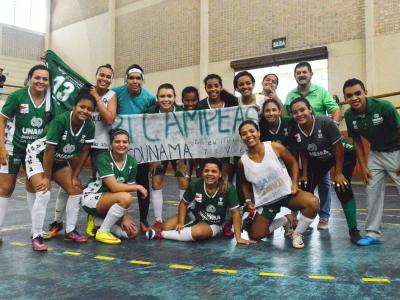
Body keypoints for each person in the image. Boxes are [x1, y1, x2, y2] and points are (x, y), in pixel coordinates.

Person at [47, 64, 117, 238]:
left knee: (98, 184)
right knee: (70, 183)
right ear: (96, 75)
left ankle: (92, 219)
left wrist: (96, 98)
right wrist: (49, 60)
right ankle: (57, 221)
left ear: (111, 80)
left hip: (100, 146)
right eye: (102, 75)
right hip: (77, 142)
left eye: (108, 76)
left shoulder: (111, 95)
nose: (104, 79)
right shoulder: (84, 91)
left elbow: (109, 118)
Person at [25, 90, 95, 251]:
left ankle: (70, 230)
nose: (85, 111)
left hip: (58, 159)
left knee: (76, 189)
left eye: (89, 109)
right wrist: (46, 178)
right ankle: (37, 236)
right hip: (37, 156)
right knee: (44, 192)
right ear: (74, 106)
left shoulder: (89, 125)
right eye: (81, 107)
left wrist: (76, 176)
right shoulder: (61, 121)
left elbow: (85, 151)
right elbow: (49, 149)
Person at [290, 97, 362, 244]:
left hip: (344, 155)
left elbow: (339, 149)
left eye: (302, 110)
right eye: (295, 112)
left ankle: (354, 231)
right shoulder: (296, 130)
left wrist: (338, 173)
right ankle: (303, 226)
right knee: (305, 187)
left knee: (342, 187)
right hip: (318, 158)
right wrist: (304, 174)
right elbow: (303, 152)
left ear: (310, 109)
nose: (299, 114)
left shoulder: (325, 122)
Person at [238, 120, 319, 249]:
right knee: (255, 235)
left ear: (258, 133)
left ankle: (297, 234)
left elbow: (293, 163)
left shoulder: (274, 147)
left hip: (286, 193)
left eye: (252, 131)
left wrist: (294, 183)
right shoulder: (243, 161)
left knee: (313, 203)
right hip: (267, 201)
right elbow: (243, 181)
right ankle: (285, 220)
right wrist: (248, 199)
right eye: (244, 134)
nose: (248, 135)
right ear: (241, 138)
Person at [146, 157, 255, 245]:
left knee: (198, 233)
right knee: (167, 226)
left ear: (220, 174)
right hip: (194, 215)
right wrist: (180, 222)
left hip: (214, 222)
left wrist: (238, 237)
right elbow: (183, 203)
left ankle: (160, 234)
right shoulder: (196, 184)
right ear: (202, 173)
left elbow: (235, 212)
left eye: (214, 171)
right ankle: (175, 231)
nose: (210, 174)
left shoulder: (228, 188)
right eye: (206, 171)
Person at [343, 78, 400, 246]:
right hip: (376, 154)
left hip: (397, 151)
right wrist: (363, 166)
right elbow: (357, 142)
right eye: (349, 95)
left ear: (365, 93)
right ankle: (373, 233)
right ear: (345, 98)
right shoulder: (349, 115)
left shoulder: (385, 107)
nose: (354, 98)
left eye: (358, 93)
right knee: (372, 191)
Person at [284, 62, 341, 230]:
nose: (301, 75)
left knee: (324, 182)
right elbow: (288, 117)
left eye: (304, 72)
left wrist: (334, 124)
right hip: (302, 144)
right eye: (298, 72)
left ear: (310, 74)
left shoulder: (321, 91)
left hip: (321, 144)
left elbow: (335, 109)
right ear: (295, 76)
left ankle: (324, 216)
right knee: (304, 181)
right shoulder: (290, 95)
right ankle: (305, 216)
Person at [0, 65, 53, 243]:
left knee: (35, 187)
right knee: (5, 188)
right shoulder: (17, 96)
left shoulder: (51, 101)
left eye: (45, 79)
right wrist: (0, 146)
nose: (41, 81)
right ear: (30, 78)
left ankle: (35, 229)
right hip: (13, 146)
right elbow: (2, 119)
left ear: (49, 82)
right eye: (37, 77)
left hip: (35, 151)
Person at [82, 129, 147, 244]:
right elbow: (115, 188)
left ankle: (97, 221)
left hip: (112, 199)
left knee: (132, 232)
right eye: (117, 142)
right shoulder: (103, 158)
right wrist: (139, 187)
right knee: (125, 198)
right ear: (111, 144)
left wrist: (125, 216)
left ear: (128, 144)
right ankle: (103, 231)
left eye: (124, 142)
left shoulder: (132, 163)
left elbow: (127, 189)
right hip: (92, 198)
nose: (121, 145)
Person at [113, 64, 156, 232]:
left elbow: (155, 124)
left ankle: (144, 219)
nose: (134, 81)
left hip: (141, 149)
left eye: (138, 78)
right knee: (117, 184)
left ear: (142, 80)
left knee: (142, 182)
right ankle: (118, 217)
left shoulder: (150, 98)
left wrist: (153, 154)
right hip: (120, 147)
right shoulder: (116, 92)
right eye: (131, 78)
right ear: (126, 79)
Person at [147, 83, 189, 230]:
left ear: (175, 97)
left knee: (183, 182)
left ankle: (184, 215)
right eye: (162, 96)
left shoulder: (182, 112)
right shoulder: (150, 112)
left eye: (169, 96)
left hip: (178, 150)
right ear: (157, 98)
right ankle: (158, 219)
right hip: (158, 150)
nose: (166, 99)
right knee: (156, 182)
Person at [197, 74, 238, 181]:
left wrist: (252, 109)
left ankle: (224, 198)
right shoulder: (200, 105)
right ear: (205, 88)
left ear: (221, 87)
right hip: (207, 149)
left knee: (225, 180)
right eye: (209, 86)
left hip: (227, 149)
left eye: (216, 85)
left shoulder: (231, 103)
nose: (213, 89)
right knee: (209, 180)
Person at [181, 86, 201, 179]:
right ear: (182, 100)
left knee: (200, 175)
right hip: (183, 151)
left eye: (193, 100)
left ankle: (200, 193)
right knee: (185, 178)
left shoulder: (203, 112)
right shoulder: (178, 112)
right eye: (187, 100)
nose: (190, 103)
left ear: (198, 100)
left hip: (200, 150)